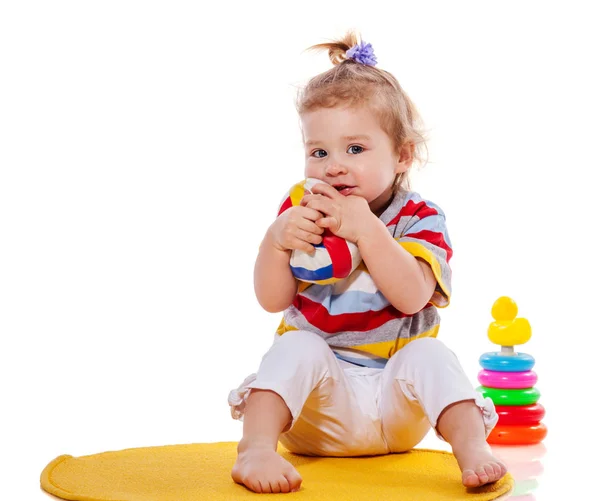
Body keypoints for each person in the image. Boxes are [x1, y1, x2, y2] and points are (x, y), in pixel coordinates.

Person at [227, 31, 507, 494]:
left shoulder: (420, 218)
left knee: (431, 354)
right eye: (319, 152)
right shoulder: (304, 211)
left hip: (395, 408)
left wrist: (367, 231)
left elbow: (413, 296)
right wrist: (274, 244)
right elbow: (272, 301)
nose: (334, 166)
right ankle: (256, 447)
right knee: (296, 346)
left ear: (402, 155)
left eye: (354, 149)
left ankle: (472, 448)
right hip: (317, 410)